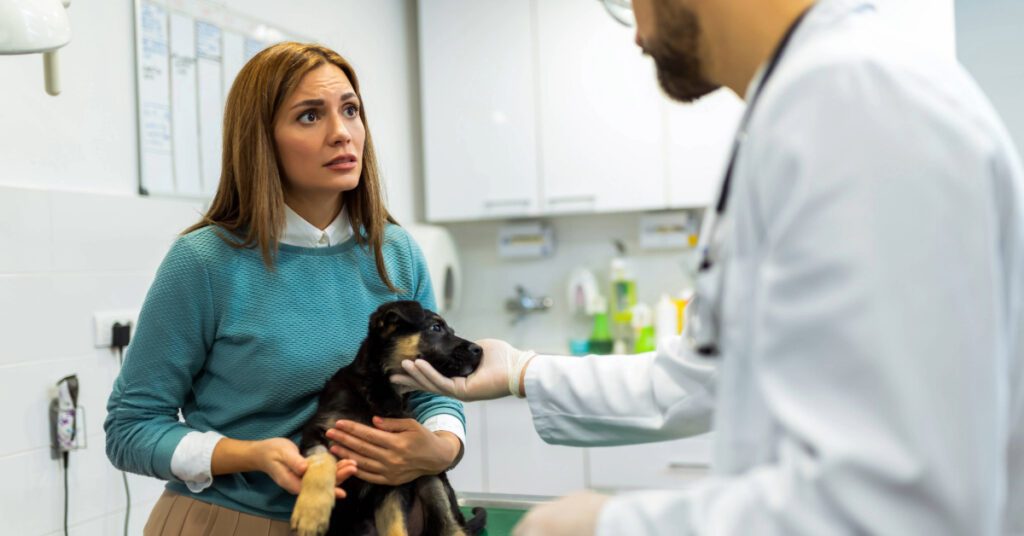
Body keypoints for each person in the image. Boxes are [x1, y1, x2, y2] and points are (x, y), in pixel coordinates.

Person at [391, 0, 1024, 534]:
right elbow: (704, 374)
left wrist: (608, 524)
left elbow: (895, 505)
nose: (636, 33)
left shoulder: (859, 102)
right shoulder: (803, 105)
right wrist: (525, 371)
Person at [105, 42, 467, 535]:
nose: (342, 133)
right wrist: (248, 454)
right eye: (310, 116)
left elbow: (433, 389)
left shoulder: (395, 251)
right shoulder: (204, 263)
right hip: (228, 522)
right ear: (262, 140)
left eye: (351, 110)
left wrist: (443, 445)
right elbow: (131, 429)